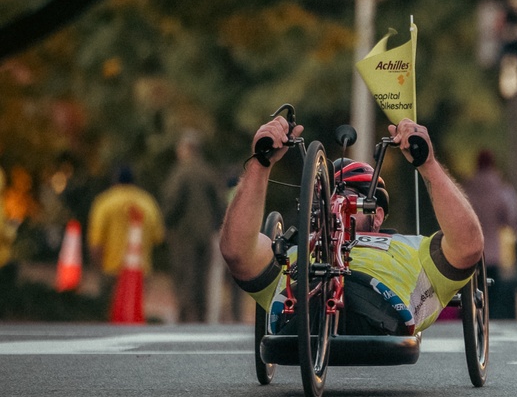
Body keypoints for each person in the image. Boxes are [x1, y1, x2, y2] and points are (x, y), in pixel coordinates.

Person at [219, 114, 484, 339]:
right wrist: (260, 164)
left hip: (379, 305)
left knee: (353, 294)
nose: (337, 202)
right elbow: (236, 252)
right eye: (325, 197)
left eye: (352, 197)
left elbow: (468, 246)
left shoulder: (413, 248)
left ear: (377, 215)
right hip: (300, 305)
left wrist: (427, 164)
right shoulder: (290, 251)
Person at [162, 130, 225, 323]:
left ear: (187, 149)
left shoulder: (181, 172)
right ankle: (202, 318)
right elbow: (220, 204)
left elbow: (172, 202)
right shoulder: (208, 172)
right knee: (201, 277)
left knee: (184, 275)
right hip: (205, 234)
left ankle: (184, 316)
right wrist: (215, 226)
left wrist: (166, 223)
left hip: (184, 234)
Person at [86, 167, 165, 303]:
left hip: (111, 269)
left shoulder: (105, 202)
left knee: (110, 313)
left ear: (114, 181)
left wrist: (97, 268)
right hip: (140, 271)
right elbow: (158, 237)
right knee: (133, 313)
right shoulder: (147, 202)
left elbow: (96, 242)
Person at [464, 150, 517, 320]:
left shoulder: (467, 189)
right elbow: (511, 219)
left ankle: (473, 320)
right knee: (492, 295)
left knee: (471, 290)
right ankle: (488, 322)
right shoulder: (501, 190)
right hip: (493, 252)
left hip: (469, 250)